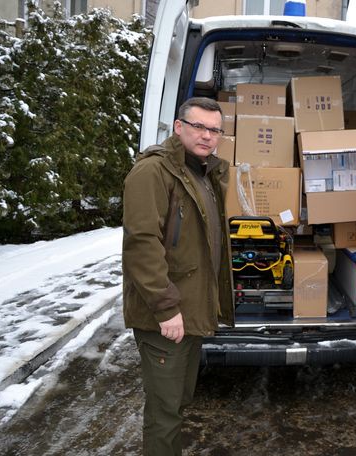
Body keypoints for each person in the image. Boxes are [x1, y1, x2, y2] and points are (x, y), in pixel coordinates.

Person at [122, 97, 234, 455]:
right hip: (166, 315)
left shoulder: (201, 172)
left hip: (190, 310)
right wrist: (166, 307)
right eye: (198, 126)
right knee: (165, 411)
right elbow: (142, 244)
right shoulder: (152, 172)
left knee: (179, 400)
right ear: (179, 126)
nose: (207, 136)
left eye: (214, 129)